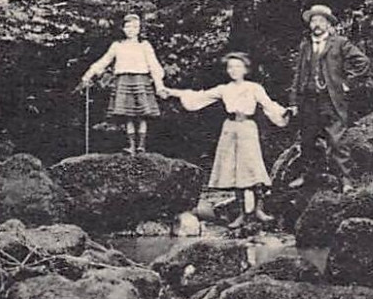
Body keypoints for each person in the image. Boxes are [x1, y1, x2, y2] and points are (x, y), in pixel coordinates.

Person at [170, 53, 292, 228]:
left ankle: (259, 209)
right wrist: (172, 92)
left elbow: (268, 104)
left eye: (237, 67)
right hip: (230, 129)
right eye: (230, 67)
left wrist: (283, 112)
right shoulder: (224, 89)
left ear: (245, 69)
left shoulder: (254, 88)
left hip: (247, 128)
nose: (234, 70)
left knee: (252, 167)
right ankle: (243, 213)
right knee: (235, 170)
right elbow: (200, 97)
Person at [288, 4, 370, 193]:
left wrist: (347, 83)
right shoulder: (305, 45)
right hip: (308, 100)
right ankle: (306, 176)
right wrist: (293, 101)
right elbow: (298, 75)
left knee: (337, 140)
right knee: (307, 140)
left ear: (328, 24)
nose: (316, 24)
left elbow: (363, 62)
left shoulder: (340, 43)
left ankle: (346, 180)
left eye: (321, 21)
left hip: (331, 100)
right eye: (313, 21)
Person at [77, 12, 166, 155]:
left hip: (141, 80)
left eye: (135, 27)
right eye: (128, 27)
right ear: (123, 29)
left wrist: (159, 85)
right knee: (128, 114)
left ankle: (141, 146)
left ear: (139, 29)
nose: (131, 30)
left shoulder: (144, 45)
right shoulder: (117, 46)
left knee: (142, 114)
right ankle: (131, 146)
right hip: (123, 81)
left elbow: (154, 65)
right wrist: (88, 75)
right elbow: (104, 61)